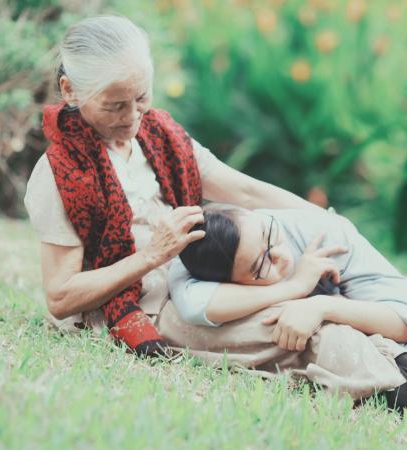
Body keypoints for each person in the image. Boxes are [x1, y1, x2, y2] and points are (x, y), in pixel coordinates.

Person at [24, 15, 326, 356]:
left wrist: (328, 221)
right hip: (142, 308)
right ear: (70, 90)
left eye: (141, 97)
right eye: (115, 106)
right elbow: (61, 297)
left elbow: (245, 191)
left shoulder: (162, 136)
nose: (132, 116)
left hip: (194, 285)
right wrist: (153, 254)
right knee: (286, 330)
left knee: (311, 310)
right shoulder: (58, 172)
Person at [169, 205, 407, 414]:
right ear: (231, 282)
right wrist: (296, 287)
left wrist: (322, 306)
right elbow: (194, 305)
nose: (279, 254)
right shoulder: (204, 263)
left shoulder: (324, 234)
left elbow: (406, 325)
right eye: (260, 265)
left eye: (269, 234)